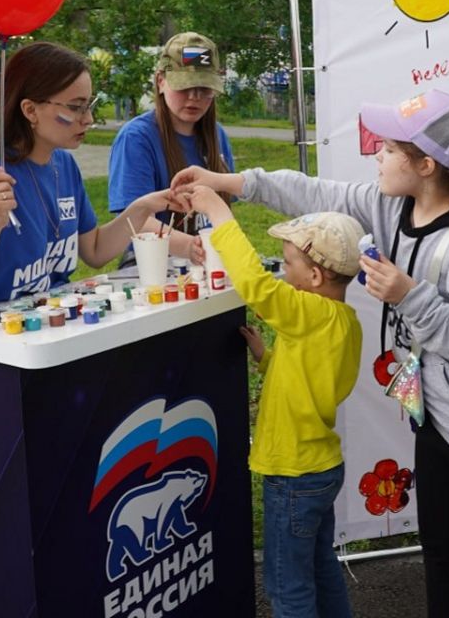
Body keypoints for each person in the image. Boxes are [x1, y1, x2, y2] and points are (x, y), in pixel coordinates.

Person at [173, 87, 449, 618]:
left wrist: (410, 295)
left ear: (426, 164)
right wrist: (228, 183)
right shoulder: (393, 205)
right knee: (442, 554)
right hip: (433, 418)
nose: (376, 157)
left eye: (388, 149)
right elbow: (313, 191)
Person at [0, 42, 183, 618]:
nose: (88, 121)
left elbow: (91, 251)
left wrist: (141, 209)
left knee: (55, 508)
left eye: (90, 106)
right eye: (75, 108)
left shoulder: (63, 166)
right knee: (13, 520)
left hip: (58, 364)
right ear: (30, 108)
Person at [184, 185, 362, 618]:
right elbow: (316, 379)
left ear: (315, 278)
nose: (282, 271)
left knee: (288, 587)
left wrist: (217, 212)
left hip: (292, 473)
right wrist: (266, 357)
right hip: (321, 468)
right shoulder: (343, 321)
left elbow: (255, 286)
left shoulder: (308, 312)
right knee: (321, 568)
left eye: (288, 263)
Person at [108, 32, 234, 262]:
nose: (194, 97)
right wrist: (190, 247)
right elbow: (134, 221)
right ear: (160, 81)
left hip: (210, 260)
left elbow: (225, 209)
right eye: (184, 87)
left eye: (205, 89)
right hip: (154, 264)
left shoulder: (218, 135)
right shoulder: (136, 138)